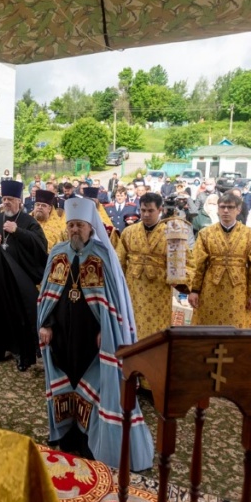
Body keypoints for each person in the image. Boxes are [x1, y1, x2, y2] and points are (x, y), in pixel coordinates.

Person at [37, 198, 155, 470]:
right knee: (66, 381)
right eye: (71, 225)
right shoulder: (57, 253)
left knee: (91, 384)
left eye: (80, 225)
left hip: (93, 337)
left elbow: (113, 301)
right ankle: (67, 435)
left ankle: (90, 440)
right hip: (63, 334)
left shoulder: (102, 256)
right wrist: (46, 324)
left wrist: (107, 330)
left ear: (91, 227)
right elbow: (46, 295)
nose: (74, 230)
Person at [0, 180, 48, 371]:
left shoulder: (29, 222)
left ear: (19, 201)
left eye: (11, 199)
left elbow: (41, 245)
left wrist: (18, 232)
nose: (7, 202)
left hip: (20, 279)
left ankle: (23, 356)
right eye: (4, 198)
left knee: (20, 316)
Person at [187, 190, 251, 328]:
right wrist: (194, 290)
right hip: (210, 290)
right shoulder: (206, 234)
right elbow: (197, 264)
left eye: (230, 207)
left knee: (236, 329)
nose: (226, 211)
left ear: (238, 210)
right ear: (218, 209)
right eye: (222, 207)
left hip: (239, 292)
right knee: (207, 328)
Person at [117, 192, 187, 340]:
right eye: (143, 210)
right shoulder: (128, 232)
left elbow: (183, 264)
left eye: (150, 211)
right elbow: (119, 263)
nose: (146, 214)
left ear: (160, 210)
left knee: (155, 332)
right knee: (132, 328)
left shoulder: (172, 234)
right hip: (132, 291)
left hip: (158, 292)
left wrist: (180, 281)